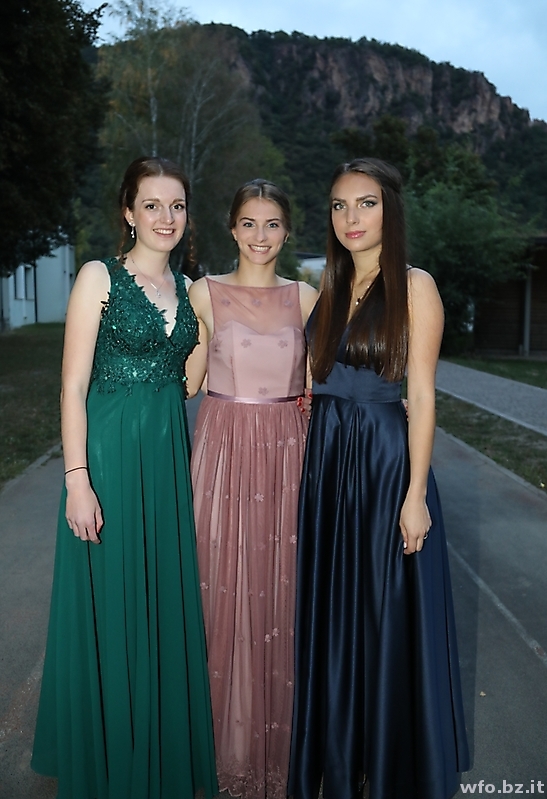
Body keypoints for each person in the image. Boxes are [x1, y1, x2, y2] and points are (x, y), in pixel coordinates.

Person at [31, 156, 218, 799]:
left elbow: (188, 384)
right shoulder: (98, 276)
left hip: (165, 464)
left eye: (177, 206)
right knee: (110, 603)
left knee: (159, 601)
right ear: (129, 212)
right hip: (108, 460)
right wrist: (77, 479)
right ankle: (108, 758)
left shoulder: (190, 290)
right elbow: (71, 386)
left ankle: (155, 752)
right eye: (152, 204)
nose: (166, 217)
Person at [288, 158, 470, 799]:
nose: (351, 218)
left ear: (390, 210)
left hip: (385, 462)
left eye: (365, 203)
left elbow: (421, 396)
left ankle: (389, 765)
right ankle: (341, 759)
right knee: (336, 615)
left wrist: (415, 495)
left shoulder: (415, 286)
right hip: (329, 461)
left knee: (383, 613)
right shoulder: (330, 285)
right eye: (339, 206)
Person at [185, 179, 317, 799]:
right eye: (248, 223)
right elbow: (185, 381)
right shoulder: (203, 292)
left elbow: (322, 385)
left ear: (287, 231)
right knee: (220, 589)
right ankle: (217, 750)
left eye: (272, 224)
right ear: (231, 228)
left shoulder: (308, 298)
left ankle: (282, 751)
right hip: (222, 454)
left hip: (289, 457)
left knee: (283, 593)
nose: (259, 236)